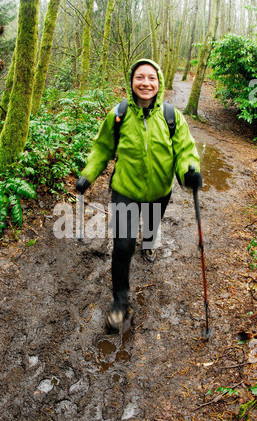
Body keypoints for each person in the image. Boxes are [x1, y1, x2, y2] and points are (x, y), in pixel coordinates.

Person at [76, 59, 202, 332]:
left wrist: (189, 172)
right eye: (140, 78)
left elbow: (185, 150)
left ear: (159, 82)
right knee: (122, 246)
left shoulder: (171, 116)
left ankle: (149, 243)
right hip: (126, 190)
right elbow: (102, 148)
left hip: (160, 191)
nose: (146, 83)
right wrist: (88, 174)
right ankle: (120, 302)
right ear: (131, 82)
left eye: (151, 78)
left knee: (152, 227)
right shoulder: (119, 114)